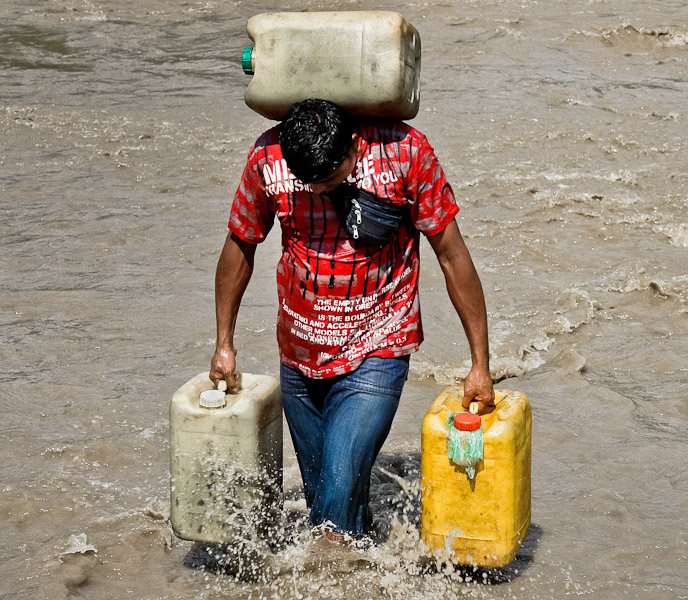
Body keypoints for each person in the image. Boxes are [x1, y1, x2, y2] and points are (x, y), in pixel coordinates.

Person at [209, 98, 494, 542]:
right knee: (331, 502)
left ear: (356, 147)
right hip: (300, 357)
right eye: (309, 182)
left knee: (328, 524)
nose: (319, 191)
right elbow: (240, 245)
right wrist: (223, 343)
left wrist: (480, 363)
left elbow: (452, 257)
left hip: (378, 345)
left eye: (329, 181)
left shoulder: (407, 153)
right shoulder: (268, 157)